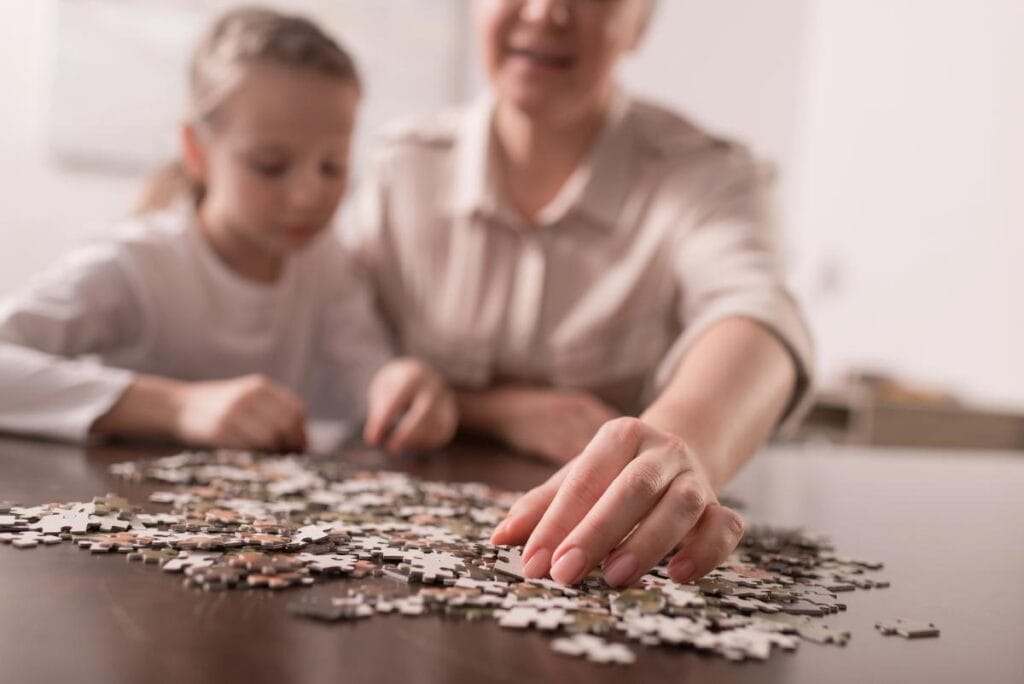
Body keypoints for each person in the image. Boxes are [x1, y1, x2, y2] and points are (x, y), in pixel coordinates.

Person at [345, 0, 814, 587]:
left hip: (611, 566)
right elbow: (341, 349)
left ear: (640, 24)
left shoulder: (708, 174)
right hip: (405, 551)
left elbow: (754, 313)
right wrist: (496, 412)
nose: (546, 12)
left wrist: (681, 443)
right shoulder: (402, 165)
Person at [0, 7, 457, 455]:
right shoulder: (132, 265)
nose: (307, 195)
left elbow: (370, 376)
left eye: (332, 167)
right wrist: (176, 407)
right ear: (196, 152)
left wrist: (402, 389)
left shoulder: (326, 264)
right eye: (270, 166)